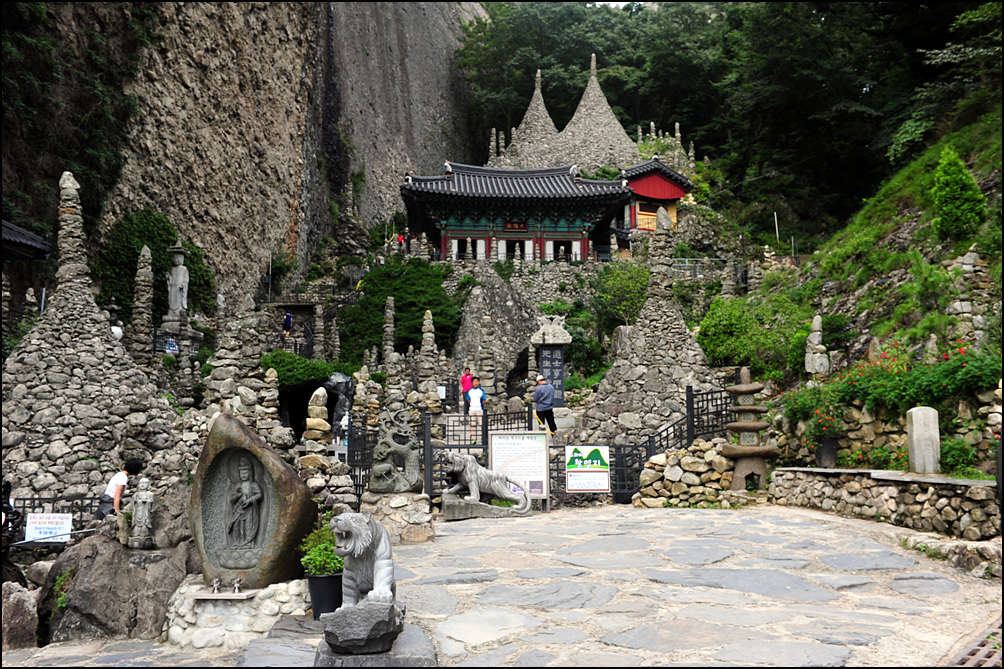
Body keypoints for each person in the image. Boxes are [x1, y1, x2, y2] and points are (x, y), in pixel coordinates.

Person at [467, 376, 485, 444]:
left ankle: (483, 438)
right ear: (472, 382)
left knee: (482, 424)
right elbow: (468, 400)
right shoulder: (470, 391)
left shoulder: (481, 391)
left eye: (477, 381)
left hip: (479, 409)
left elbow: (484, 400)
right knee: (472, 425)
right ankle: (473, 439)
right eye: (474, 381)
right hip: (472, 409)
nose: (476, 383)